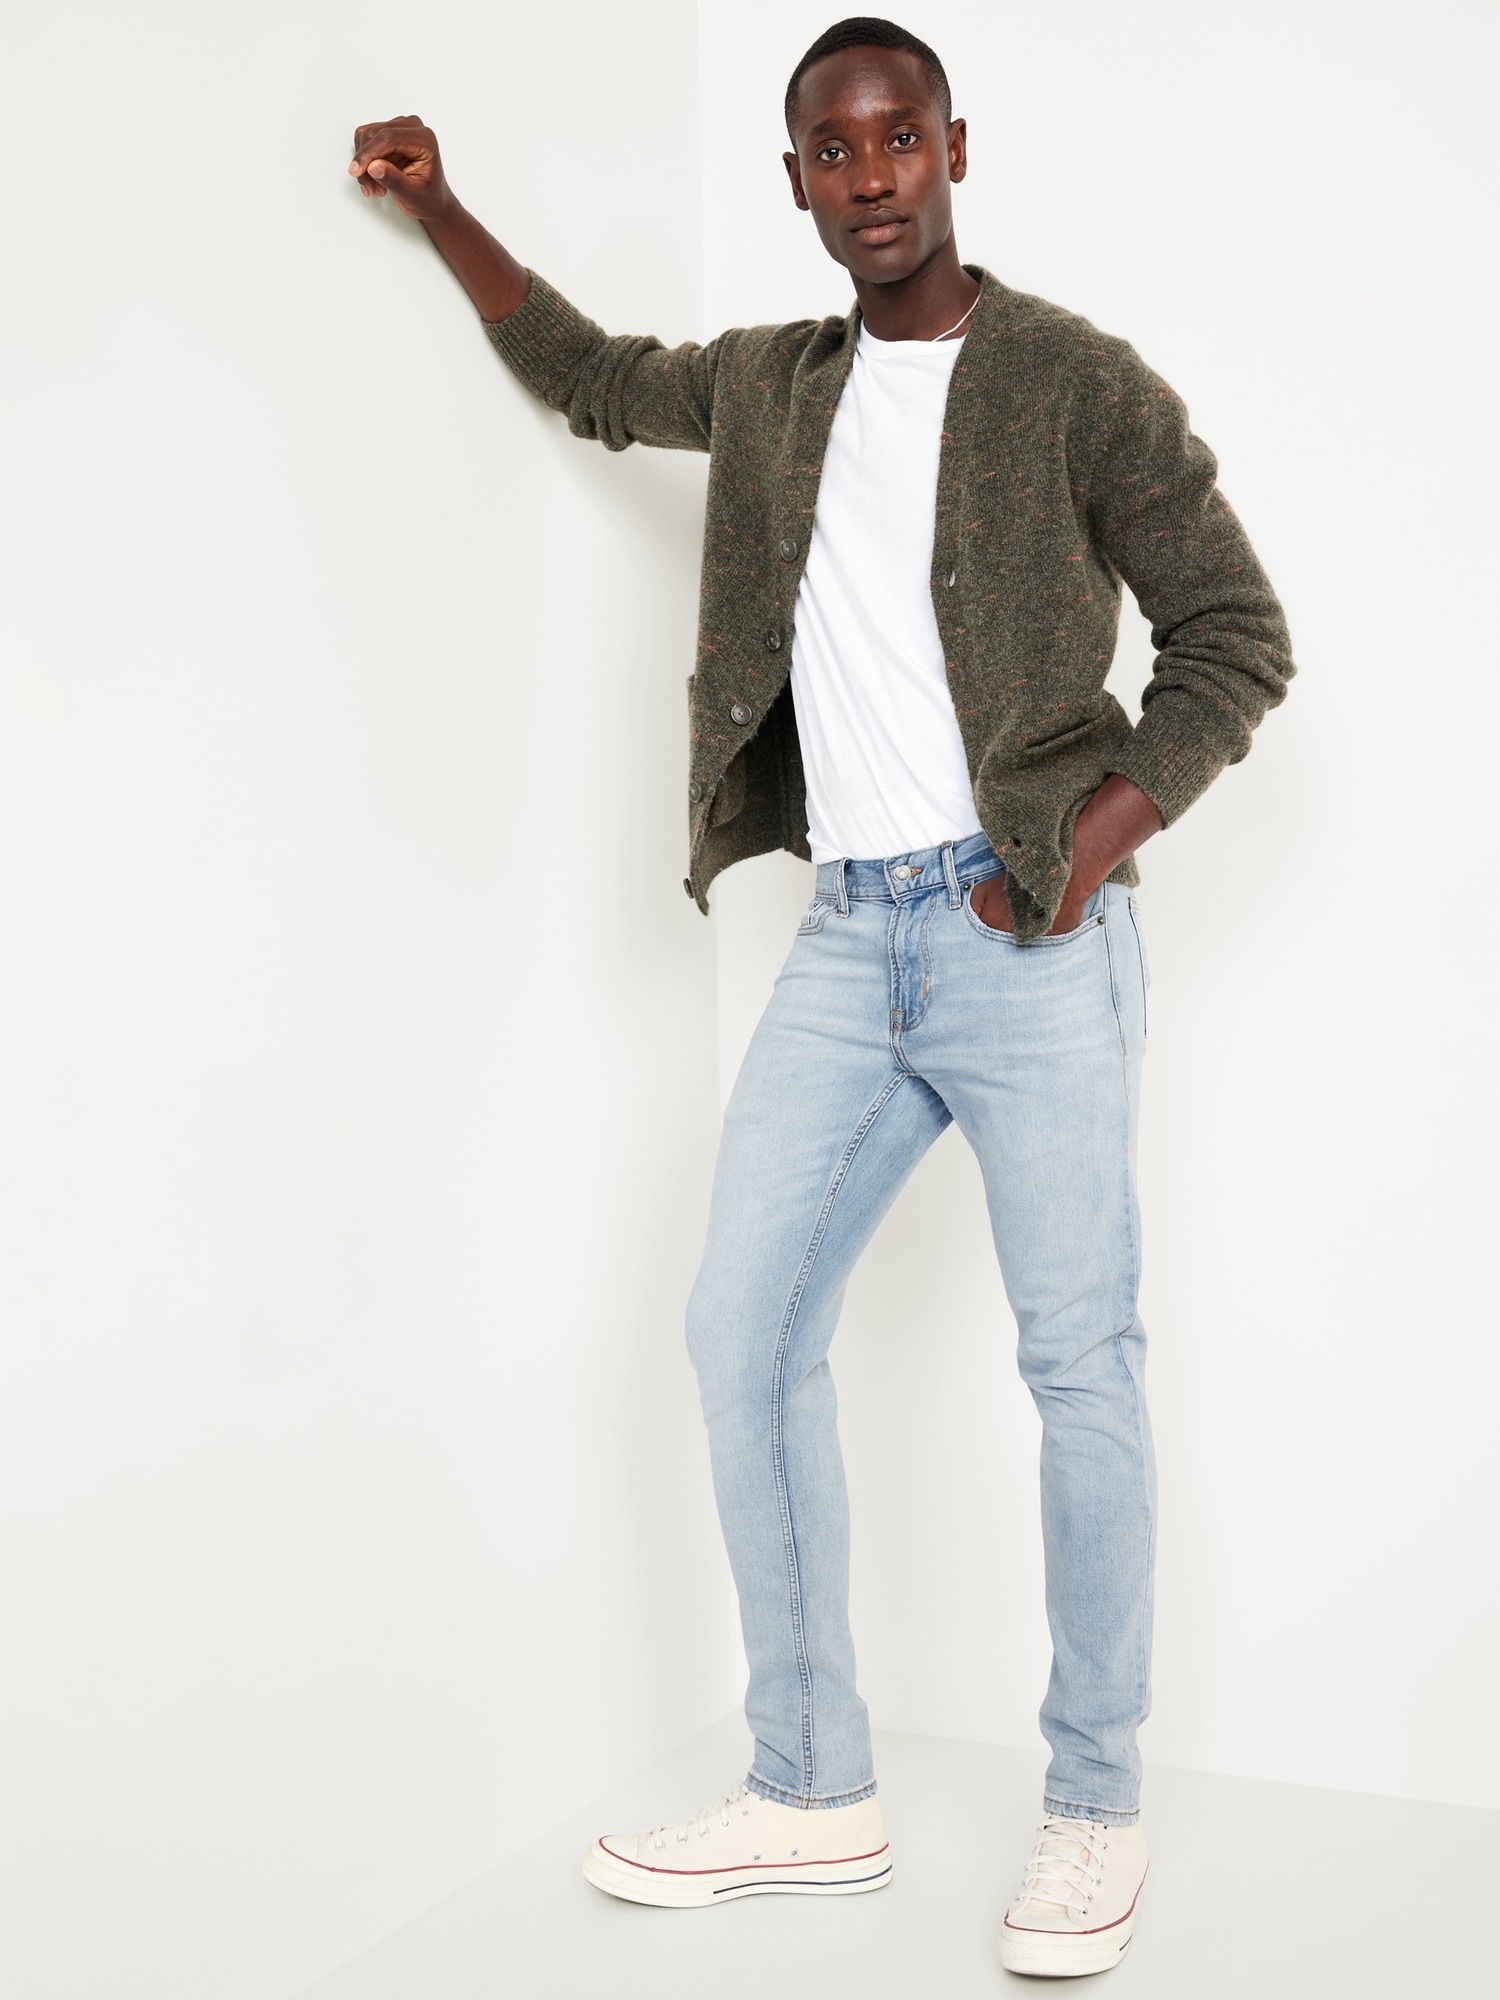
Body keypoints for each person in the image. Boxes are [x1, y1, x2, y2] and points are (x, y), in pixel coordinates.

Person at [349, 15, 1294, 1978]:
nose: (871, 177)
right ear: (796, 180)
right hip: (851, 947)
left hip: (1030, 940)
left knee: (1080, 1367)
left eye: (898, 139)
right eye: (833, 150)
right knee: (739, 1332)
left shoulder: (1074, 382)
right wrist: (442, 209)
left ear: (956, 148)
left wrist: (1090, 842)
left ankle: (1094, 1805)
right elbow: (594, 377)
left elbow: (1235, 636)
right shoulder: (778, 388)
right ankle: (811, 1785)